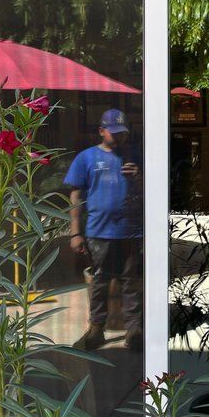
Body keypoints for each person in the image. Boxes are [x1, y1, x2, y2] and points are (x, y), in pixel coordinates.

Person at [64, 109, 143, 351]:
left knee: (132, 282)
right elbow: (76, 195)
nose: (119, 138)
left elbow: (154, 189)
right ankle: (97, 328)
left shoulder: (136, 157)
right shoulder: (86, 158)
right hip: (99, 232)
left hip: (132, 231)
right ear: (101, 131)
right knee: (99, 282)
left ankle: (134, 330)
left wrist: (140, 177)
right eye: (114, 133)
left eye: (123, 134)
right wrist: (76, 232)